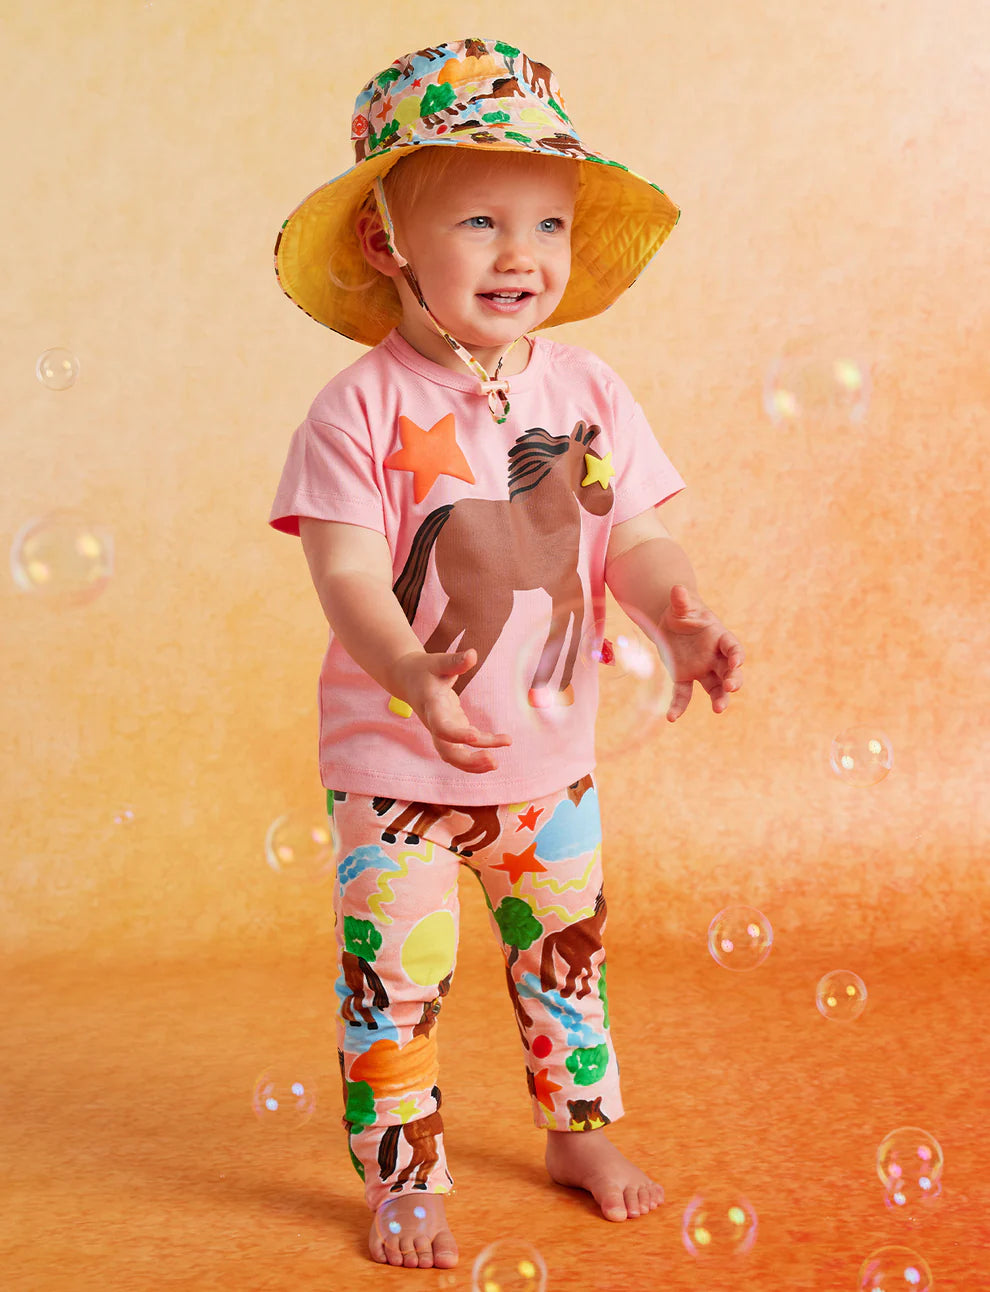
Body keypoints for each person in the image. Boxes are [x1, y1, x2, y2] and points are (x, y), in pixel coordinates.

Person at [269, 37, 744, 1271]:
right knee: (396, 989)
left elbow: (633, 540)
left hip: (553, 768)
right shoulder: (356, 409)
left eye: (547, 220)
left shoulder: (588, 389)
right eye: (480, 219)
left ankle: (578, 1129)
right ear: (388, 245)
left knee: (567, 961)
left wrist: (675, 611)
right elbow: (346, 573)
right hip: (398, 775)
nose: (521, 254)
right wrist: (414, 671)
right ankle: (402, 1176)